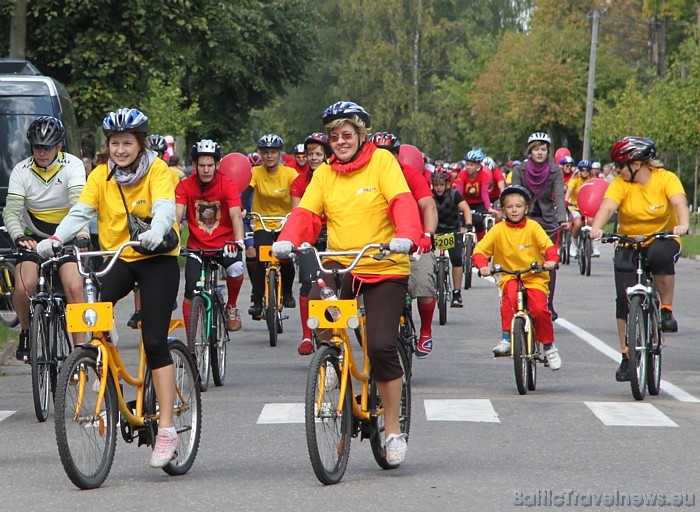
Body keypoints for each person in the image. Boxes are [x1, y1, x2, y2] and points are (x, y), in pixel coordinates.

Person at [272, 100, 421, 465]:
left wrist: (406, 235)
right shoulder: (324, 174)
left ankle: (392, 429)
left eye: (347, 134)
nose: (340, 141)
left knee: (382, 344)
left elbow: (403, 203)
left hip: (384, 265)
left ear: (361, 135)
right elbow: (306, 213)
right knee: (326, 327)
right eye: (334, 136)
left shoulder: (383, 162)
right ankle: (332, 374)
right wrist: (288, 237)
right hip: (343, 265)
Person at [37, 107, 181, 468]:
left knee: (155, 341)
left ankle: (166, 429)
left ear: (140, 143)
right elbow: (81, 212)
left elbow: (165, 208)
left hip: (156, 259)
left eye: (127, 143)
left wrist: (157, 231)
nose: (120, 149)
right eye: (115, 143)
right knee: (92, 311)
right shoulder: (101, 175)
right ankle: (101, 357)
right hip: (118, 258)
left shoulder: (158, 170)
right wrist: (56, 238)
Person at [589, 136, 689, 382]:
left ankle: (665, 310)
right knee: (623, 299)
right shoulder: (620, 184)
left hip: (662, 237)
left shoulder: (666, 179)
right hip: (629, 240)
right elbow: (607, 208)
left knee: (659, 255)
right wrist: (597, 228)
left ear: (638, 163)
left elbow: (679, 203)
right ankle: (626, 355)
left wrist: (683, 225)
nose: (617, 170)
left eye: (621, 165)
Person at [3, 116, 88, 361]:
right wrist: (18, 235)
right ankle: (27, 332)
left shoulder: (72, 165)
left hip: (67, 235)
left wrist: (81, 235)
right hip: (33, 237)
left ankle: (79, 352)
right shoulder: (21, 170)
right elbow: (12, 210)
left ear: (59, 146)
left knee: (74, 287)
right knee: (23, 287)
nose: (42, 152)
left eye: (47, 147)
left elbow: (79, 204)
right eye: (37, 147)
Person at [473, 185, 561, 370]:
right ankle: (506, 338)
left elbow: (548, 247)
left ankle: (549, 346)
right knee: (510, 299)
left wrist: (551, 260)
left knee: (539, 309)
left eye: (519, 206)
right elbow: (480, 250)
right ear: (503, 209)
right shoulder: (498, 230)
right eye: (510, 206)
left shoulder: (533, 227)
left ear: (526, 208)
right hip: (509, 276)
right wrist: (482, 266)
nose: (514, 210)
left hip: (534, 276)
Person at [370, 131, 438, 358]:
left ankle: (425, 331)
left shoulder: (409, 175)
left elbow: (428, 206)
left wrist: (427, 235)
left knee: (423, 285)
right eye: (378, 153)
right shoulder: (366, 177)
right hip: (380, 243)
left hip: (414, 241)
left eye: (388, 153)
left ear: (397, 155)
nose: (383, 157)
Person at [176, 139, 245, 332]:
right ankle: (191, 341)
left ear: (217, 164)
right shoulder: (184, 186)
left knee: (236, 268)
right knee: (190, 289)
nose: (206, 170)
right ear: (194, 165)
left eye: (210, 165)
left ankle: (231, 306)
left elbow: (235, 214)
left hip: (225, 244)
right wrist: (172, 234)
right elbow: (177, 214)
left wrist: (238, 240)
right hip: (196, 247)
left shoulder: (227, 184)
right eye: (201, 165)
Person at [509, 132, 567, 320]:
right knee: (521, 257)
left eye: (543, 149)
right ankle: (519, 298)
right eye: (536, 149)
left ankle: (548, 302)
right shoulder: (520, 170)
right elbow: (514, 195)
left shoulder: (555, 170)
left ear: (548, 151)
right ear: (530, 151)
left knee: (549, 260)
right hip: (525, 218)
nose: (540, 153)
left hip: (547, 218)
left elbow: (558, 195)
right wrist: (513, 216)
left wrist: (561, 219)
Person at [241, 134, 298, 320]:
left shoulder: (289, 174)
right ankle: (257, 301)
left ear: (280, 153)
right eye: (265, 152)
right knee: (260, 259)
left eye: (273, 152)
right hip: (262, 222)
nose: (269, 156)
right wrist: (241, 207)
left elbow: (299, 194)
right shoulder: (255, 173)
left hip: (285, 221)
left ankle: (288, 292)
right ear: (260, 154)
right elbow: (246, 192)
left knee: (286, 258)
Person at [291, 132, 332, 355]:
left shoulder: (336, 176)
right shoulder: (299, 182)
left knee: (335, 282)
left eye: (319, 154)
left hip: (334, 232)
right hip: (310, 234)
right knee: (308, 282)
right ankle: (307, 335)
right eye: (310, 154)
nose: (314, 158)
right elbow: (297, 213)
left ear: (327, 155)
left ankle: (336, 330)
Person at [432, 170, 472, 308]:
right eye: (436, 184)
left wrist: (467, 224)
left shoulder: (454, 195)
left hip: (453, 231)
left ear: (447, 184)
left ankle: (456, 293)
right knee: (427, 258)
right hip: (435, 231)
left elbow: (465, 208)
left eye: (441, 185)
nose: (438, 188)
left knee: (456, 260)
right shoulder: (429, 196)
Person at [456, 147, 498, 240]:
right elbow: (458, 192)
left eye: (471, 165)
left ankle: (481, 243)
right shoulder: (462, 174)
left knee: (478, 221)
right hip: (465, 202)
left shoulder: (484, 176)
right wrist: (456, 205)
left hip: (479, 203)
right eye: (467, 164)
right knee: (461, 222)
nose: (468, 167)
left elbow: (484, 193)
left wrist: (489, 208)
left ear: (478, 165)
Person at [564, 160, 596, 258]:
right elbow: (569, 191)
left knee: (592, 221)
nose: (585, 172)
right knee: (577, 224)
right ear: (579, 170)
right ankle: (574, 243)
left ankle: (594, 244)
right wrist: (566, 201)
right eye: (582, 170)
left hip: (588, 207)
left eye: (587, 170)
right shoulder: (575, 180)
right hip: (575, 206)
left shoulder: (592, 180)